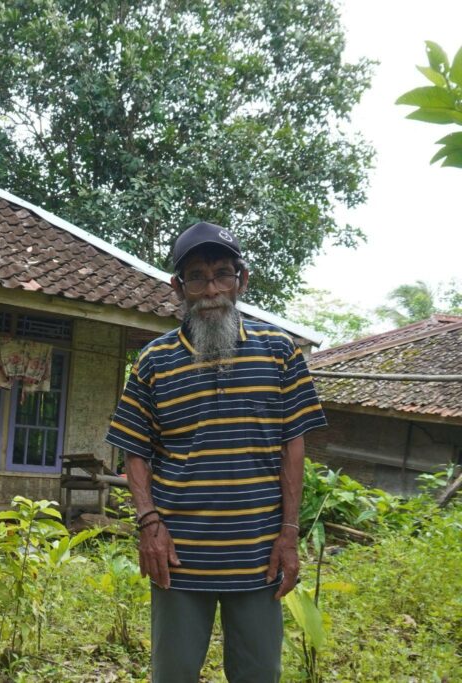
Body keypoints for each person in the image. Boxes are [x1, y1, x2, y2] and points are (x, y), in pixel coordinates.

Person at [105, 222, 326, 682]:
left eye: (223, 274)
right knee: (175, 674)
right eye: (197, 276)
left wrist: (289, 535)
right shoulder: (154, 361)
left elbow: (293, 447)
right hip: (178, 558)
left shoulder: (279, 352)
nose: (211, 289)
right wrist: (149, 525)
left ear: (242, 279)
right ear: (178, 287)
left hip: (258, 554)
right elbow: (135, 450)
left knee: (258, 673)